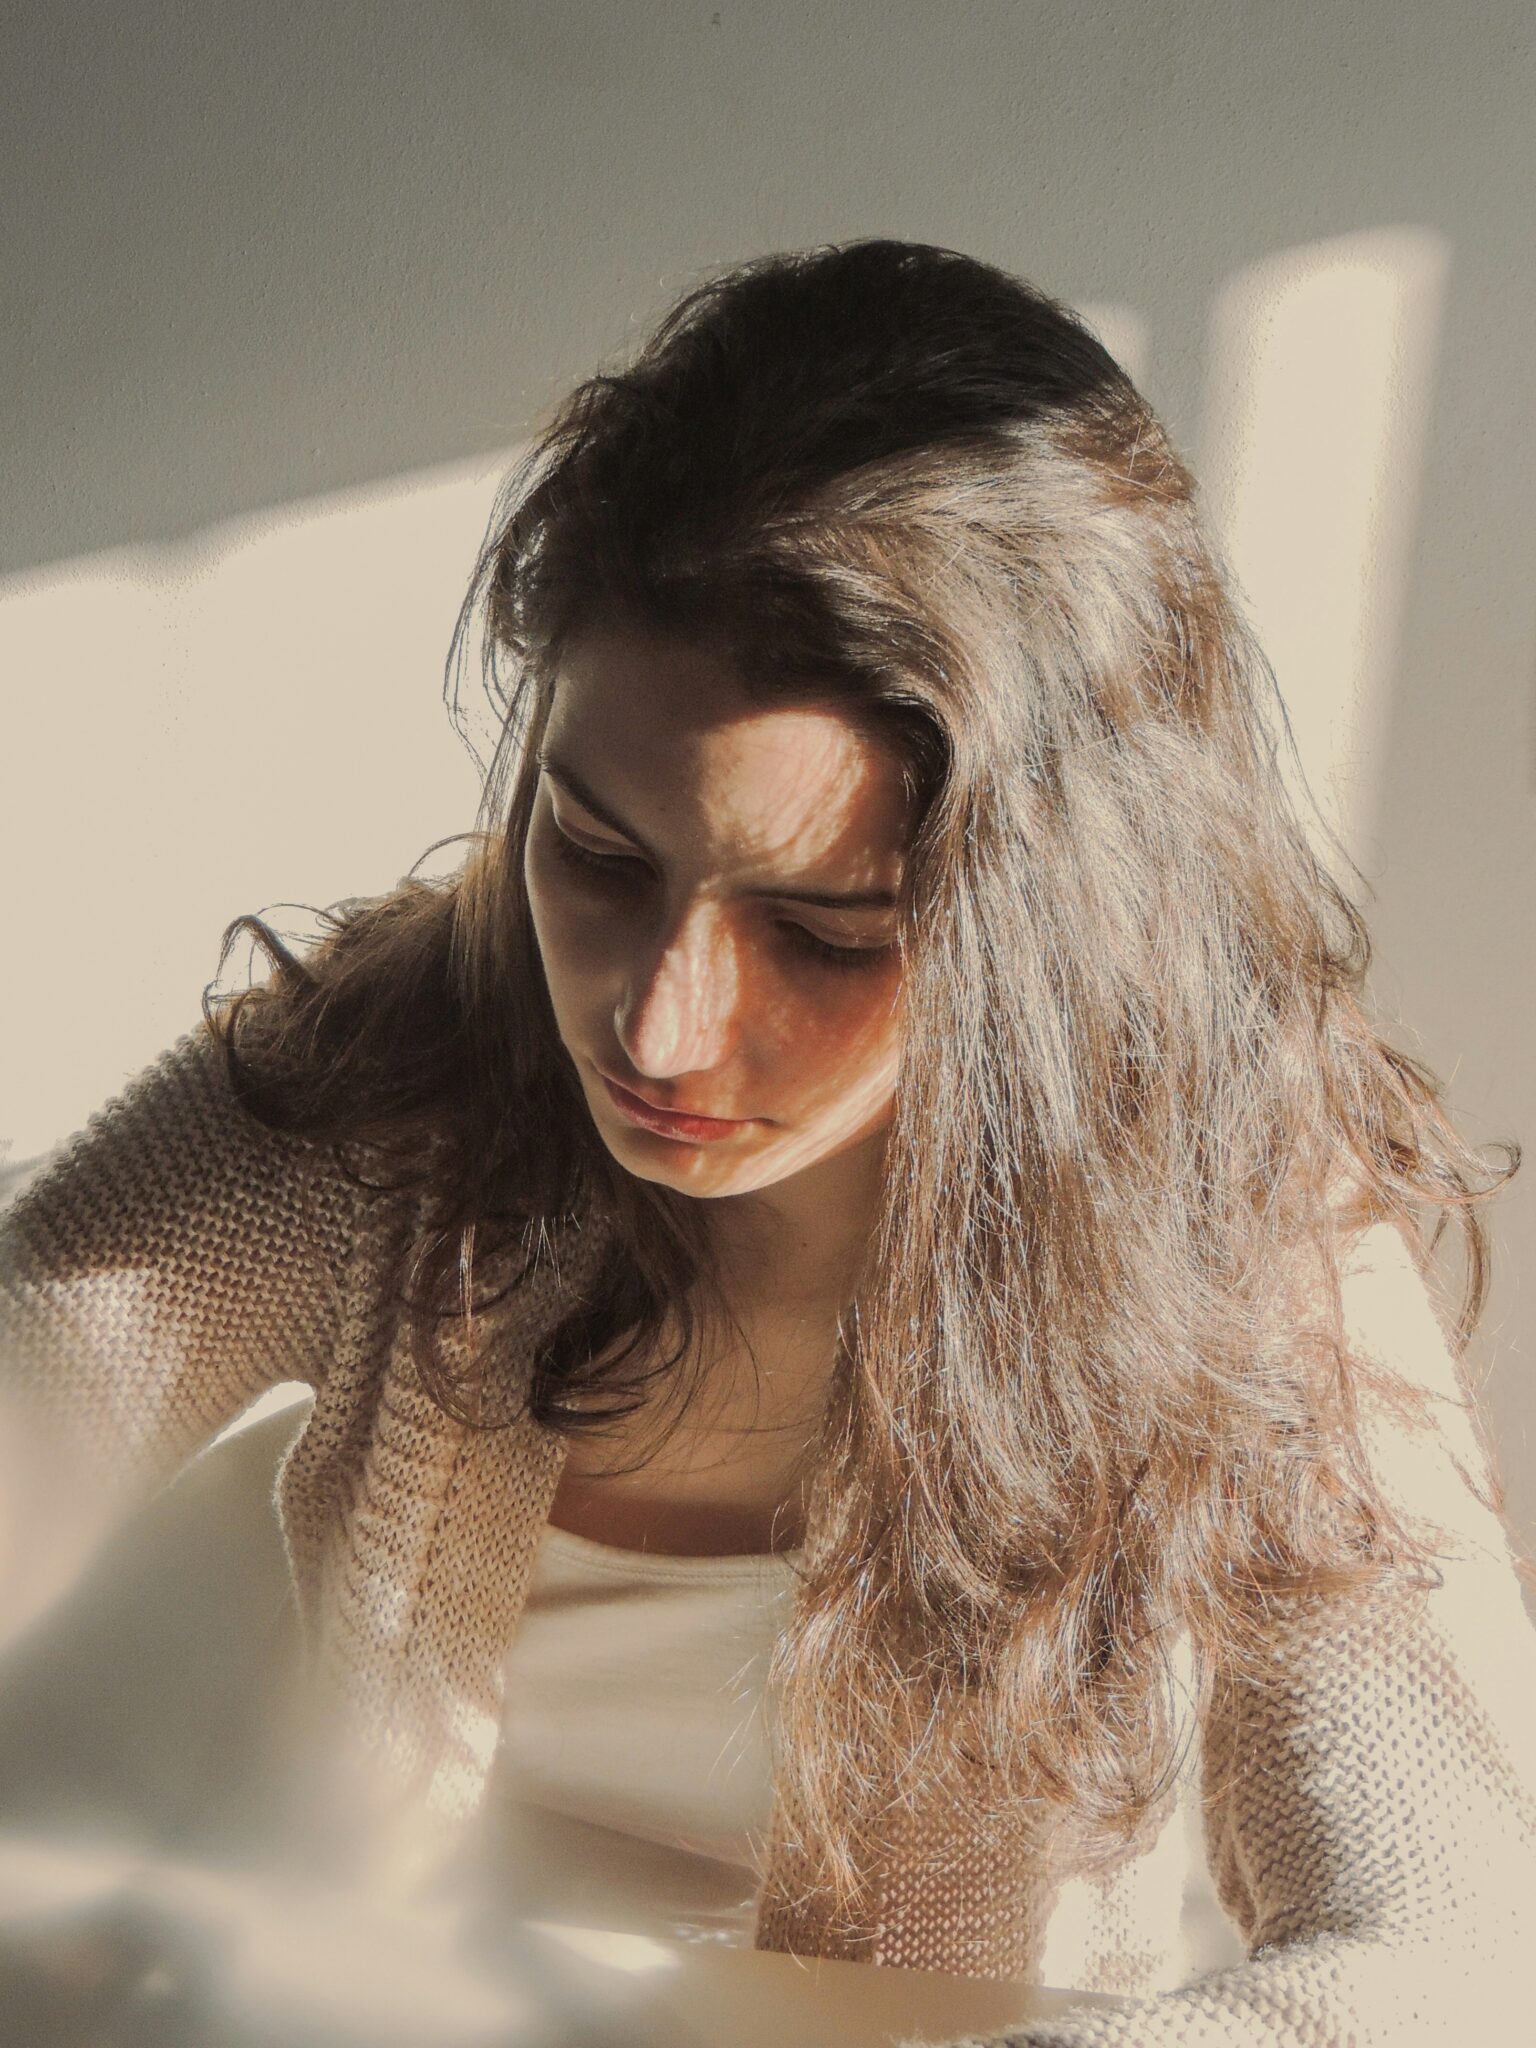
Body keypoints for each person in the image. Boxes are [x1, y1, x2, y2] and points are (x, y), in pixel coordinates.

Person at [3, 237, 1534, 2044]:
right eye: (597, 854)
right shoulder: (393, 1083)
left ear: (1051, 924)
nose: (655, 1027)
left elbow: (1457, 1965)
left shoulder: (1232, 1226)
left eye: (825, 929)